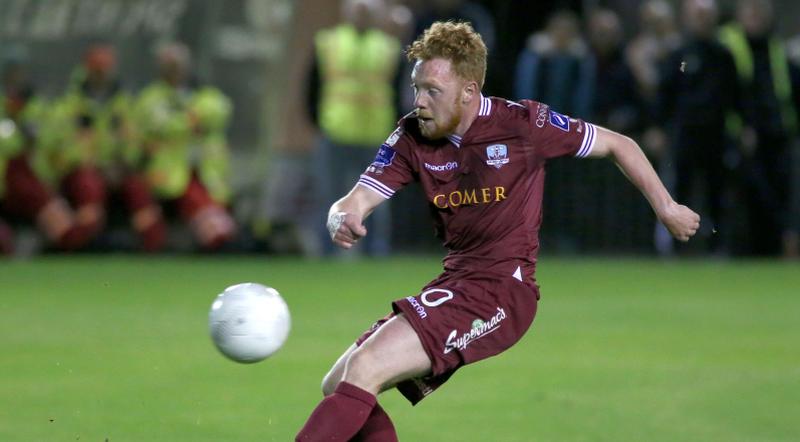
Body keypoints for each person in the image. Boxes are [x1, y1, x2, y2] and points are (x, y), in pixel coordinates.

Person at [295, 21, 700, 441]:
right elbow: (357, 196)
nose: (420, 101)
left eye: (432, 90)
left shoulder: (524, 125)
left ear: (469, 91)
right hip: (456, 283)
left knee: (364, 370)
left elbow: (620, 143)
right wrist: (342, 214)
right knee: (339, 382)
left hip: (503, 290)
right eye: (417, 87)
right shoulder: (412, 135)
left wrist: (666, 207)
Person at [39, 44, 167, 251]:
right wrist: (89, 163)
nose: (102, 73)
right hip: (81, 171)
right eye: (97, 67)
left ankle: (153, 247)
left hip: (117, 169)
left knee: (138, 189)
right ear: (87, 69)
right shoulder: (69, 105)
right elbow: (57, 144)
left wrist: (123, 162)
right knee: (89, 187)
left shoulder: (123, 104)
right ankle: (81, 245)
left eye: (105, 67)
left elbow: (134, 142)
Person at [653, 0, 740, 254]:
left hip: (717, 134)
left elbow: (736, 94)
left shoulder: (724, 55)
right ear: (688, 18)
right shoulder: (680, 54)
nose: (702, 20)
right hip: (685, 134)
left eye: (706, 15)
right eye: (698, 15)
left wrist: (744, 126)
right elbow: (666, 93)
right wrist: (658, 126)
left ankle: (718, 247)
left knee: (718, 192)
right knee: (681, 190)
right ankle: (679, 248)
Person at [134, 42, 236, 250]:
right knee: (197, 203)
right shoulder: (151, 98)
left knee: (211, 202)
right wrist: (193, 121)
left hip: (208, 171)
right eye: (169, 65)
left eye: (178, 64)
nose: (175, 69)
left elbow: (220, 112)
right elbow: (160, 123)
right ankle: (218, 238)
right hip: (170, 172)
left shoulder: (207, 93)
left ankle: (223, 238)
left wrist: (183, 121)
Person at [719, 0, 800, 257]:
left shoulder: (775, 47)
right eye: (751, 10)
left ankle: (775, 249)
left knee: (779, 193)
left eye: (761, 10)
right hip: (742, 134)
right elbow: (730, 93)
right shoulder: (726, 44)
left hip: (777, 132)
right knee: (750, 195)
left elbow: (784, 88)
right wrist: (742, 127)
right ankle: (744, 250)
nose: (756, 16)